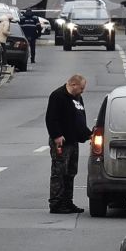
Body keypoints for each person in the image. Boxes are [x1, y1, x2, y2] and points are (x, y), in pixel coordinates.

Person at [44, 73, 91, 214]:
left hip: (73, 141)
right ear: (73, 85)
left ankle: (67, 202)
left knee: (71, 173)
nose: (82, 91)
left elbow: (79, 119)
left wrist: (88, 134)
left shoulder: (78, 98)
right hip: (61, 142)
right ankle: (56, 203)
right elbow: (51, 118)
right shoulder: (58, 96)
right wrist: (57, 135)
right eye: (81, 88)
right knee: (59, 172)